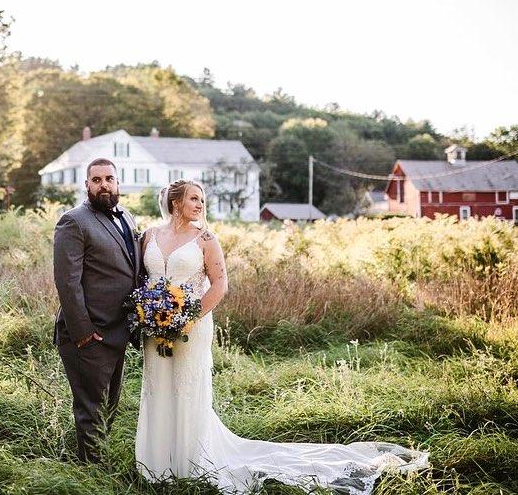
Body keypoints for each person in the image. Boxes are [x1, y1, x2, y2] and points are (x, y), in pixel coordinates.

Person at [135, 179, 429, 494]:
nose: (200, 205)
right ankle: (157, 464)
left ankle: (188, 464)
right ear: (175, 202)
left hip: (192, 327)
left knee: (185, 389)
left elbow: (220, 285)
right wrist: (148, 312)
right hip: (154, 326)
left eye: (202, 200)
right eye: (194, 198)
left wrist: (188, 318)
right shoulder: (149, 236)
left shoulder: (205, 239)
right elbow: (140, 278)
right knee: (157, 386)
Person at [53, 158, 141, 463]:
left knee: (109, 407)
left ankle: (98, 461)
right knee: (91, 409)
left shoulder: (126, 216)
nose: (104, 185)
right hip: (89, 335)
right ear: (87, 185)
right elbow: (67, 282)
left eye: (109, 179)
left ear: (118, 183)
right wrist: (83, 333)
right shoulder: (73, 221)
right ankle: (91, 473)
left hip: (118, 331)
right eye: (97, 180)